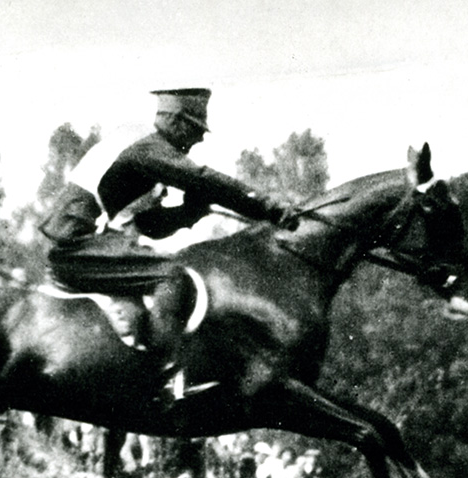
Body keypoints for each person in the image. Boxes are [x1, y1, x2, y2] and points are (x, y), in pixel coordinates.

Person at [38, 87, 298, 397]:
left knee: (167, 271)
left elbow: (148, 224)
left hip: (81, 242)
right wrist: (268, 207)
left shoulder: (140, 143)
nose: (199, 139)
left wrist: (189, 212)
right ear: (175, 121)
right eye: (195, 128)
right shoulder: (146, 147)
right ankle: (159, 379)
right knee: (170, 275)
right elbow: (202, 177)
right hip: (78, 244)